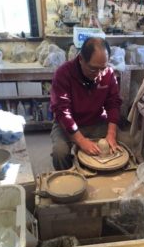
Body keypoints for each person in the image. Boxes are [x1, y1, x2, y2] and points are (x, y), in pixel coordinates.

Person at [50, 37, 122, 170]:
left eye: (103, 68)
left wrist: (111, 134)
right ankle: (69, 182)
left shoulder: (108, 73)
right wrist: (81, 141)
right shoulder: (63, 74)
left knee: (126, 143)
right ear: (81, 59)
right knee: (60, 153)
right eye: (94, 69)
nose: (99, 74)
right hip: (67, 123)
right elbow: (62, 111)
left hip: (97, 121)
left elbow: (113, 103)